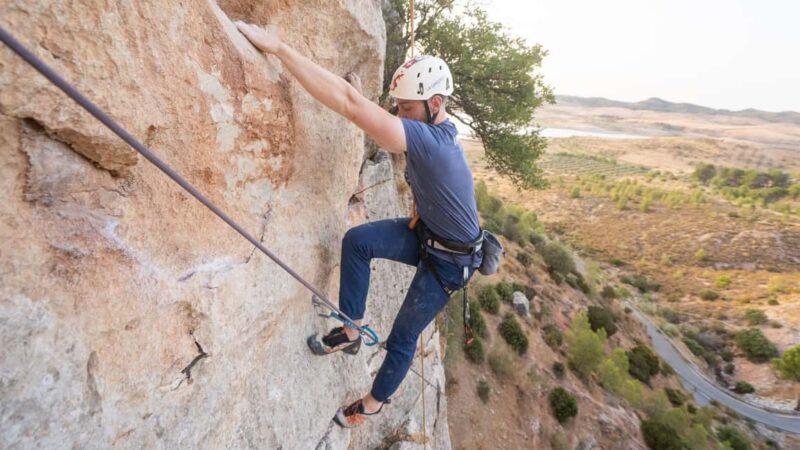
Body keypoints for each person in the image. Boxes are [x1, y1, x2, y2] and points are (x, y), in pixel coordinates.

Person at [236, 21, 483, 428]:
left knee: (403, 337)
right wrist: (425, 203)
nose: (398, 116)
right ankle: (351, 331)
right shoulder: (439, 129)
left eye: (406, 109)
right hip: (431, 235)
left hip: (451, 264)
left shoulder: (430, 141)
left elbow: (349, 103)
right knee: (358, 241)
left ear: (435, 103)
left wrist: (280, 48)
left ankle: (372, 403)